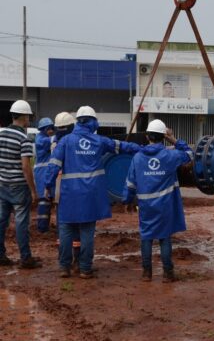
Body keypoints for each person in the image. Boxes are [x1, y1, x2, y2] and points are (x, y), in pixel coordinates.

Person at [45, 106, 141, 279]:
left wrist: (47, 185)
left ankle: (64, 268)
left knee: (66, 229)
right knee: (87, 231)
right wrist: (143, 149)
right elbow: (122, 146)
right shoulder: (99, 141)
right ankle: (85, 269)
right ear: (93, 121)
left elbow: (53, 166)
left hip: (69, 193)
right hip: (91, 194)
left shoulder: (65, 141)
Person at [122, 119, 193, 282]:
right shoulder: (170, 155)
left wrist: (126, 200)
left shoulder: (138, 157)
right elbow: (189, 154)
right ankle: (168, 274)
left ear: (147, 136)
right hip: (166, 205)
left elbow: (130, 182)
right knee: (164, 238)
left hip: (146, 206)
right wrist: (173, 139)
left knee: (146, 237)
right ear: (163, 137)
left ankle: (147, 273)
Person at [0, 100, 42, 268]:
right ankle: (26, 258)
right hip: (18, 187)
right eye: (28, 117)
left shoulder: (1, 135)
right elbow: (26, 167)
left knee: (1, 222)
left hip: (2, 185)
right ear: (24, 117)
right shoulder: (23, 139)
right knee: (21, 224)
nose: (29, 120)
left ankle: (1, 256)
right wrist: (33, 191)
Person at [52, 112, 81, 271]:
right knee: (77, 228)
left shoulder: (54, 143)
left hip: (58, 191)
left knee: (63, 228)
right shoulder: (74, 143)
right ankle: (77, 260)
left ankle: (64, 263)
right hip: (74, 189)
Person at [34, 117, 55, 233]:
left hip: (47, 173)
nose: (51, 130)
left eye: (52, 128)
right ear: (43, 129)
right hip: (42, 174)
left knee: (49, 200)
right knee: (44, 201)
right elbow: (50, 141)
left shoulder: (45, 138)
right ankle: (42, 228)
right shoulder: (40, 139)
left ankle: (44, 227)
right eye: (49, 128)